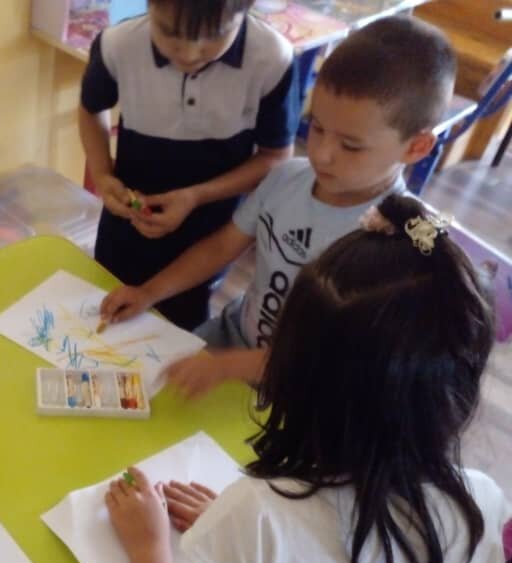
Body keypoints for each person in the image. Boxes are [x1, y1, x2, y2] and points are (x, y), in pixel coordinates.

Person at [105, 194, 511, 563]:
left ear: (295, 376)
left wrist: (148, 546)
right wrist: (243, 555)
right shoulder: (484, 500)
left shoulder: (260, 516)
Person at [100, 15, 456, 398]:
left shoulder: (399, 243)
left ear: (416, 147)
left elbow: (332, 359)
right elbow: (222, 246)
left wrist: (227, 366)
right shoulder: (288, 178)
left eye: (350, 146)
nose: (321, 154)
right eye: (317, 127)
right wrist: (149, 293)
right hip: (230, 343)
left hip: (297, 392)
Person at [80, 0, 299, 329]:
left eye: (214, 34)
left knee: (182, 320)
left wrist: (195, 196)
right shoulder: (117, 45)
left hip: (207, 232)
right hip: (126, 222)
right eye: (169, 32)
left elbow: (275, 156)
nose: (189, 53)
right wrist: (101, 173)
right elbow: (90, 109)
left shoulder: (271, 58)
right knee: (106, 303)